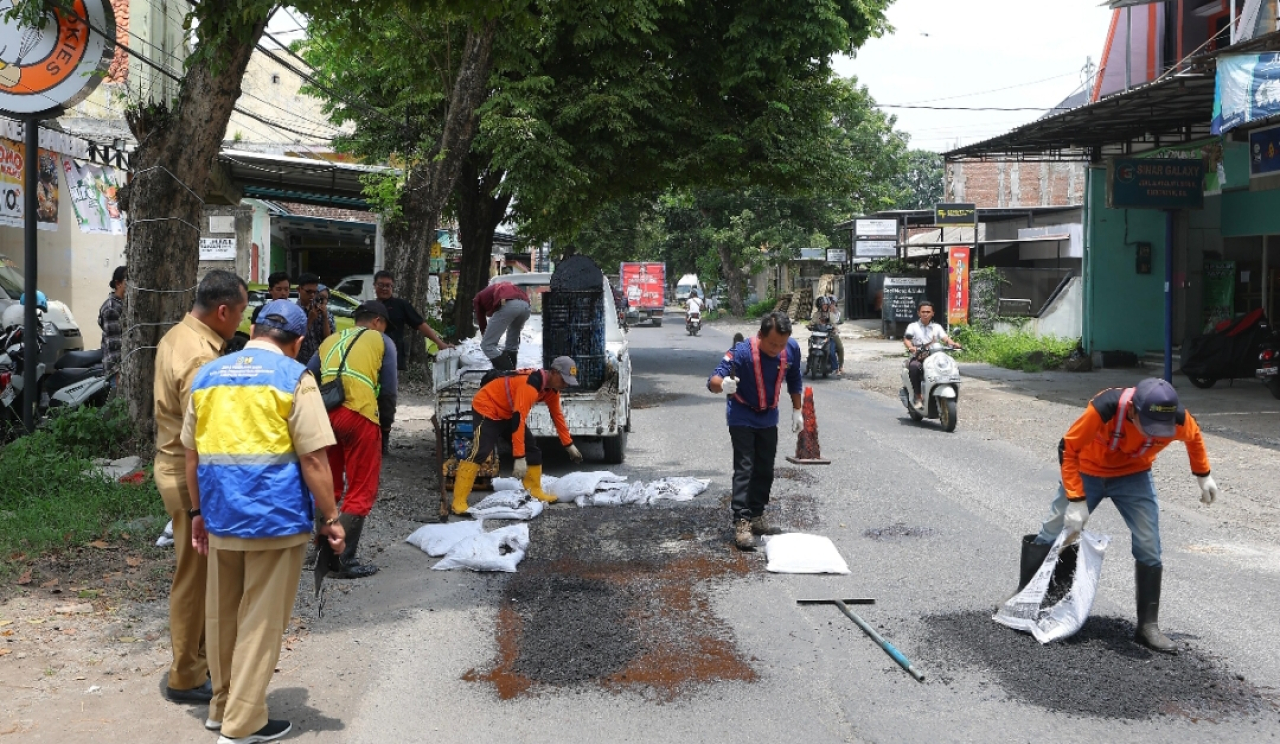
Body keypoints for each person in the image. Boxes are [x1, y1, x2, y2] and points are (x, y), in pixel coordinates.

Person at [184, 299, 345, 743]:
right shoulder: (295, 378)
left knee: (222, 617)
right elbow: (313, 457)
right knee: (261, 621)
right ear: (295, 343)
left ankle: (221, 708)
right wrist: (330, 517)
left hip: (219, 516)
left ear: (252, 329)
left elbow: (191, 453)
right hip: (274, 521)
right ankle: (242, 725)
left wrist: (197, 513)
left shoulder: (209, 374)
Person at [1020, 377, 1219, 654]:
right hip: (1088, 470)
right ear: (1134, 411)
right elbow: (1068, 447)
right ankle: (1024, 603)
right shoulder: (1105, 407)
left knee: (1149, 542)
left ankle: (1148, 627)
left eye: (1159, 431)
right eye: (1148, 427)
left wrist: (1203, 475)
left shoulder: (1177, 418)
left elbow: (1195, 437)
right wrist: (1076, 499)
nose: (1153, 436)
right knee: (1054, 529)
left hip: (1133, 475)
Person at [152, 269, 248, 706]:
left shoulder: (180, 334)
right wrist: (201, 506)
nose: (241, 324)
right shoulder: (199, 359)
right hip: (190, 475)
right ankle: (186, 675)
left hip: (175, 467)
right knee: (193, 578)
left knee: (201, 574)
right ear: (223, 310)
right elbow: (202, 438)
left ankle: (200, 660)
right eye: (240, 313)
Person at [305, 300, 398, 579]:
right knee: (360, 488)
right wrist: (385, 426)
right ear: (378, 322)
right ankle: (342, 559)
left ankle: (322, 552)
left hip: (325, 415)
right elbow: (389, 390)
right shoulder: (382, 340)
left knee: (327, 485)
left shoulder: (331, 339)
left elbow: (307, 375)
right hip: (359, 414)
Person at [707, 312, 804, 550]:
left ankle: (757, 515)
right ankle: (742, 521)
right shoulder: (741, 353)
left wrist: (797, 410)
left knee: (765, 468)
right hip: (742, 414)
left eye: (781, 344)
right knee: (745, 467)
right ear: (760, 335)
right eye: (772, 344)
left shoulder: (791, 348)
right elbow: (713, 381)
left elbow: (794, 379)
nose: (776, 349)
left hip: (768, 416)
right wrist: (724, 385)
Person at [450, 356, 584, 515]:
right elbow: (518, 420)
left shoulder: (551, 390)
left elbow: (557, 416)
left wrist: (569, 445)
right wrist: (519, 457)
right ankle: (458, 502)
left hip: (508, 412)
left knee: (532, 449)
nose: (565, 385)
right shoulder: (529, 385)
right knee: (481, 451)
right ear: (554, 372)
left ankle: (535, 490)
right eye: (564, 380)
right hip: (488, 407)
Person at [903, 300, 959, 408]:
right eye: (923, 311)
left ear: (932, 313)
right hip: (919, 356)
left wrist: (954, 344)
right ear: (918, 313)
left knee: (952, 366)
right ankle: (918, 397)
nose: (925, 314)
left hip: (935, 356)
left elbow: (946, 338)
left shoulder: (936, 327)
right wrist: (911, 347)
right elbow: (907, 339)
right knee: (914, 367)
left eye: (928, 312)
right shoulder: (913, 326)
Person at [472, 280, 531, 371]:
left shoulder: (478, 299)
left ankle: (509, 372)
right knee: (511, 344)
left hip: (509, 304)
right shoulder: (502, 287)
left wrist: (486, 337)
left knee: (487, 345)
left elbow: (482, 321)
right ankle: (513, 372)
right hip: (526, 306)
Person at [294, 273, 332, 365]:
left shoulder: (319, 309)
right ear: (299, 290)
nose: (312, 295)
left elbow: (328, 339)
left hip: (319, 361)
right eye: (308, 292)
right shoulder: (293, 311)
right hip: (300, 362)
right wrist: (309, 320)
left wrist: (324, 318)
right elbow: (294, 341)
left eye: (314, 292)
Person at [98, 265, 126, 383]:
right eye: (128, 281)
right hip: (116, 372)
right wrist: (118, 372)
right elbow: (114, 344)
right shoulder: (112, 308)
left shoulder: (123, 304)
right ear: (118, 284)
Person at [811, 295, 844, 376]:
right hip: (819, 334)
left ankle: (839, 367)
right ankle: (810, 363)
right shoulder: (817, 314)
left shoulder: (833, 313)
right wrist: (809, 326)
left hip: (831, 335)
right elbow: (812, 322)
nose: (825, 306)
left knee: (838, 349)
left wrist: (835, 329)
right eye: (823, 305)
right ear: (820, 305)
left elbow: (835, 323)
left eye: (826, 305)